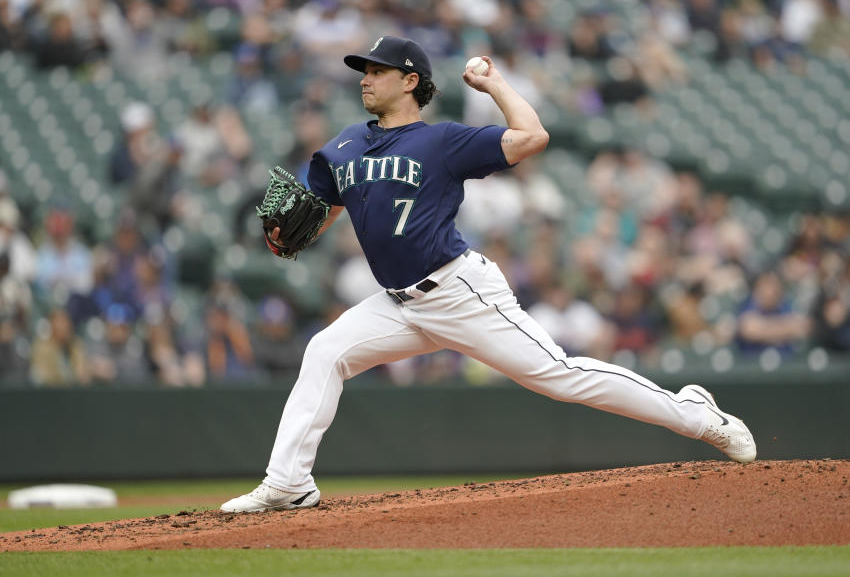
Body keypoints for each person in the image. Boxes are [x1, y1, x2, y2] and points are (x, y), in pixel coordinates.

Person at [220, 36, 756, 513]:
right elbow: (323, 211)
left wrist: (493, 82)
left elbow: (532, 136)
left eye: (378, 70)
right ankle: (288, 483)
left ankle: (694, 414)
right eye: (364, 69)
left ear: (411, 81)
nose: (366, 77)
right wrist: (293, 233)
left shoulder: (443, 141)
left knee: (561, 376)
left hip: (459, 291)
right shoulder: (343, 146)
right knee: (324, 352)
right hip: (398, 303)